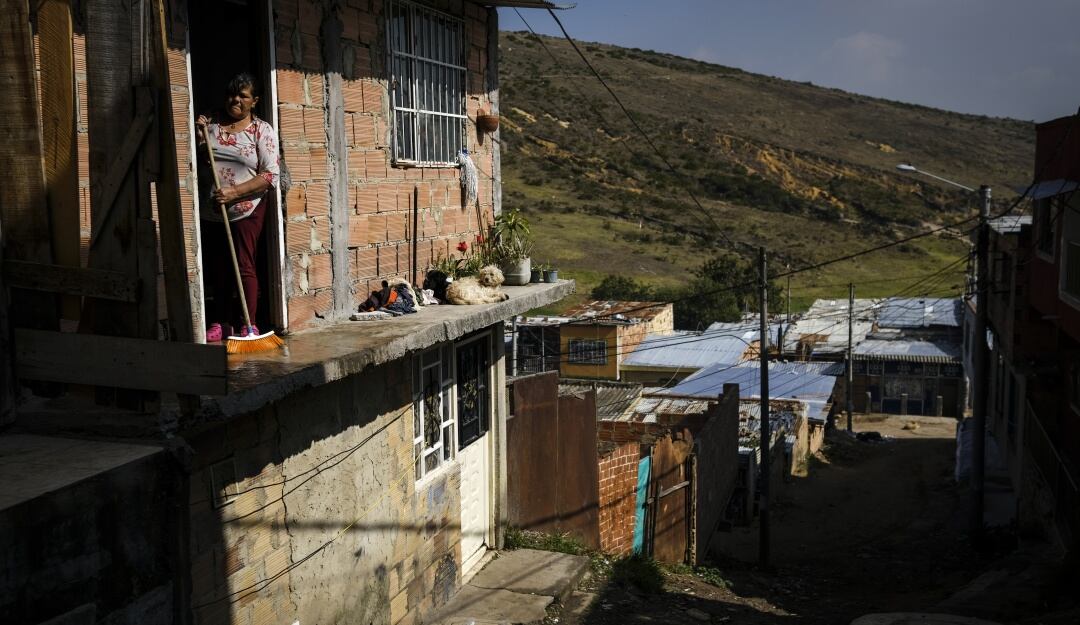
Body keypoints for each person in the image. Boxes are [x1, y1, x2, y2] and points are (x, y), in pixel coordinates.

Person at [195, 73, 280, 343]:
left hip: (247, 207)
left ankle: (248, 324)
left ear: (254, 101)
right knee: (218, 267)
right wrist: (199, 135)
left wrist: (233, 192)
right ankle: (222, 323)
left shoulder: (261, 130)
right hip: (214, 209)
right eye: (232, 94)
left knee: (244, 264)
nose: (236, 100)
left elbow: (270, 175)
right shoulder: (210, 122)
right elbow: (200, 158)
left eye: (243, 96)